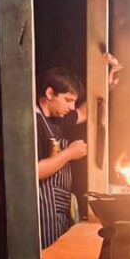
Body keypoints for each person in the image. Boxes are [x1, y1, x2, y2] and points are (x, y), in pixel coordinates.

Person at [35, 67, 87, 248]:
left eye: (74, 101)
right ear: (50, 93)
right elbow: (36, 170)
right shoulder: (33, 122)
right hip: (43, 210)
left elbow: (84, 112)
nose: (71, 107)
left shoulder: (57, 119)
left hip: (60, 209)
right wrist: (69, 154)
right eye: (68, 100)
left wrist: (107, 83)